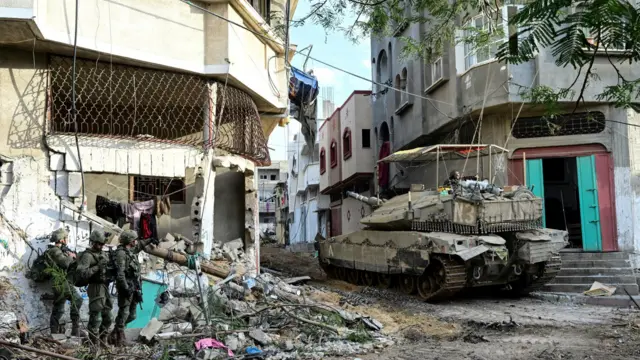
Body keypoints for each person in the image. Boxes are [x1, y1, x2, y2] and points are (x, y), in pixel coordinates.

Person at [75, 230, 112, 345]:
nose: (101, 246)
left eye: (102, 244)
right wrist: (97, 267)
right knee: (96, 318)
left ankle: (103, 340)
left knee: (108, 317)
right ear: (93, 242)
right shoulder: (87, 256)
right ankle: (93, 344)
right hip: (95, 287)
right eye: (99, 244)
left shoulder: (103, 254)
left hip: (105, 287)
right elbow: (82, 273)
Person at [111, 230, 146, 346]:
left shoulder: (130, 251)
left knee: (132, 315)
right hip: (126, 287)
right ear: (130, 241)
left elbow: (139, 247)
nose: (136, 241)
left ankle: (115, 333)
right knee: (124, 313)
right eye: (134, 240)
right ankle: (120, 339)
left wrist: (149, 240)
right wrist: (126, 288)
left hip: (134, 286)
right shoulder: (121, 253)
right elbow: (120, 274)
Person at [46, 228, 83, 336]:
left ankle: (55, 331)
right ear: (62, 239)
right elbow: (64, 264)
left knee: (59, 307)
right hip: (60, 282)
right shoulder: (54, 251)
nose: (67, 239)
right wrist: (71, 257)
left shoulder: (60, 250)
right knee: (77, 300)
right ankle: (74, 330)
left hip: (62, 282)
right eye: (66, 237)